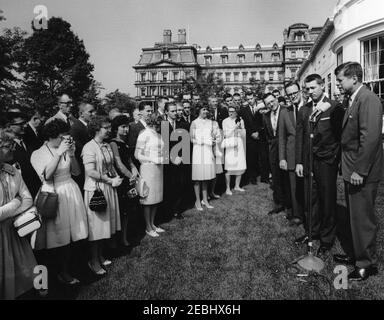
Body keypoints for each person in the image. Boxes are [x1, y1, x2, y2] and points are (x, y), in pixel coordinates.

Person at [334, 62, 383, 281]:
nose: (338, 83)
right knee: (355, 217)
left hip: (361, 172)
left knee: (362, 218)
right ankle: (357, 255)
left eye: (340, 79)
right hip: (351, 168)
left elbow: (371, 138)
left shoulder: (368, 99)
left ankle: (367, 264)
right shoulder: (354, 99)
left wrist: (360, 171)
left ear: (354, 78)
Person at [31, 119, 88, 285]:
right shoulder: (38, 153)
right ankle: (49, 275)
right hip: (52, 195)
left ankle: (65, 271)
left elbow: (76, 172)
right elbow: (47, 176)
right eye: (63, 137)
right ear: (53, 136)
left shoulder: (66, 149)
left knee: (69, 236)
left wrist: (71, 155)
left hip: (70, 191)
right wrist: (58, 153)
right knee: (54, 237)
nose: (67, 140)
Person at [294, 74, 345, 255]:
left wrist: (333, 158)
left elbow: (340, 137)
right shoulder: (304, 110)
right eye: (307, 89)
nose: (310, 92)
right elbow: (300, 137)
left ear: (322, 86)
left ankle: (327, 239)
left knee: (327, 200)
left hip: (326, 162)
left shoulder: (334, 107)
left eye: (313, 88)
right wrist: (299, 161)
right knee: (311, 199)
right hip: (308, 161)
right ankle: (312, 233)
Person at [82, 116, 123, 275]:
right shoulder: (88, 147)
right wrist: (108, 179)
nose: (109, 130)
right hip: (96, 190)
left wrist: (115, 177)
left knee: (104, 225)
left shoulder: (105, 145)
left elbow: (110, 165)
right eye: (106, 127)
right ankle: (93, 260)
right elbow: (90, 171)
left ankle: (100, 255)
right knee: (96, 227)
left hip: (108, 187)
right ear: (97, 129)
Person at [0, 128, 37, 300]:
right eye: (8, 146)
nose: (13, 149)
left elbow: (28, 199)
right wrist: (15, 202)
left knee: (24, 274)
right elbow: (21, 200)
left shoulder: (13, 171)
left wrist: (13, 209)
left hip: (14, 230)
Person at [110, 115, 140, 246]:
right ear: (116, 128)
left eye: (127, 127)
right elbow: (119, 164)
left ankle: (124, 236)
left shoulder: (125, 143)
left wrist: (134, 171)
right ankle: (117, 239)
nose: (126, 129)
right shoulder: (113, 143)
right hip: (121, 179)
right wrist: (130, 176)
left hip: (129, 179)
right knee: (121, 211)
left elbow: (129, 161)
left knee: (128, 210)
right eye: (123, 127)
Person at [135, 115, 165, 237]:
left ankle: (153, 224)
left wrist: (161, 158)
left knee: (156, 197)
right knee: (148, 199)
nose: (158, 125)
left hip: (158, 168)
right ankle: (148, 226)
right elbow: (137, 154)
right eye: (157, 123)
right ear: (151, 122)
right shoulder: (144, 134)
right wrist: (152, 158)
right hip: (148, 168)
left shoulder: (158, 135)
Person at [279, 80, 305, 225]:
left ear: (300, 91)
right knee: (294, 187)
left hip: (306, 155)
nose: (293, 96)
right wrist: (282, 158)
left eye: (295, 93)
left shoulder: (309, 108)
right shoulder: (285, 112)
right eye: (289, 95)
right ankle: (297, 215)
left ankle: (309, 214)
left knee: (307, 188)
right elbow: (281, 138)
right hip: (290, 156)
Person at [163, 102, 189, 220]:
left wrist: (182, 157)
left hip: (181, 159)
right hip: (169, 161)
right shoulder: (163, 125)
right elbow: (164, 145)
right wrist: (173, 158)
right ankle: (168, 210)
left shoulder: (181, 124)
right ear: (166, 112)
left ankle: (177, 210)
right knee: (169, 185)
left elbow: (185, 143)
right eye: (172, 111)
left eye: (176, 111)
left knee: (180, 184)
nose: (175, 113)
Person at [263, 93, 288, 215]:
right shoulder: (266, 116)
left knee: (287, 178)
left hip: (286, 149)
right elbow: (268, 135)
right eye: (268, 103)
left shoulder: (286, 110)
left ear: (277, 99)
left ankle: (290, 205)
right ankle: (279, 204)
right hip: (273, 149)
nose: (271, 104)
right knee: (276, 178)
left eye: (272, 101)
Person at [8, 113, 41, 199]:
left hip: (35, 188)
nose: (25, 126)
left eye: (25, 123)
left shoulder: (27, 142)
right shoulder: (8, 148)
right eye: (21, 124)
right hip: (21, 193)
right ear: (11, 126)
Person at [190, 104, 216, 210]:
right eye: (203, 109)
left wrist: (212, 141)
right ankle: (197, 200)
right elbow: (192, 139)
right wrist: (203, 141)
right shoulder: (194, 123)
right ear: (199, 110)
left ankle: (205, 200)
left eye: (207, 109)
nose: (205, 111)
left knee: (206, 177)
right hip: (198, 151)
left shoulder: (211, 123)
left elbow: (214, 136)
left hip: (207, 151)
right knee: (198, 177)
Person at [239, 91, 264, 185]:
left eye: (251, 98)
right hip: (250, 137)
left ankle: (263, 176)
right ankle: (252, 177)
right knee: (251, 158)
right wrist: (251, 133)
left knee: (261, 156)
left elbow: (263, 122)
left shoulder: (261, 108)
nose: (250, 101)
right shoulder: (243, 110)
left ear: (255, 98)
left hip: (260, 135)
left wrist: (258, 132)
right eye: (248, 99)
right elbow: (244, 125)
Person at [70, 102, 96, 189]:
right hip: (83, 169)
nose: (93, 114)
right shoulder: (75, 128)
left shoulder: (89, 127)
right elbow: (79, 150)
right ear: (81, 113)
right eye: (90, 112)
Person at [222, 105, 246, 195]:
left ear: (236, 112)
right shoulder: (225, 121)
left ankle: (237, 186)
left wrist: (240, 128)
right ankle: (227, 188)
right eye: (229, 111)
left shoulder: (241, 120)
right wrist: (234, 127)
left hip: (239, 143)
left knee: (239, 164)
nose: (231, 113)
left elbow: (243, 134)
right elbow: (226, 134)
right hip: (230, 144)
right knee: (229, 167)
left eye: (233, 111)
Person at [128, 103, 153, 168]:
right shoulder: (134, 128)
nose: (150, 113)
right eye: (148, 111)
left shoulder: (152, 127)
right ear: (141, 112)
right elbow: (132, 149)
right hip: (141, 165)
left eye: (151, 111)